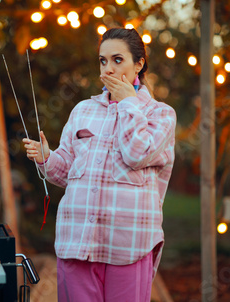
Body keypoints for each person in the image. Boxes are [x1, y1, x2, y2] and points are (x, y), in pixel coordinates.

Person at [23, 27, 176, 301]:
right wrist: (47, 157)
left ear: (139, 64)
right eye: (103, 61)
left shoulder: (161, 114)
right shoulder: (83, 110)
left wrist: (128, 101)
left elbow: (137, 154)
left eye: (118, 60)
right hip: (76, 241)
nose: (108, 68)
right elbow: (67, 172)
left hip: (129, 245)